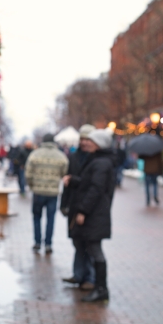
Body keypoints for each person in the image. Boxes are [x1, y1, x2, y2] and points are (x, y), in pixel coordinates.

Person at [63, 129, 115, 303]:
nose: (87, 143)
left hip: (95, 215)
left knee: (95, 251)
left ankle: (101, 288)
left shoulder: (101, 163)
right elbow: (89, 183)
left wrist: (83, 211)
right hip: (95, 213)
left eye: (91, 141)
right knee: (92, 249)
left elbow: (95, 189)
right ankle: (100, 287)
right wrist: (74, 181)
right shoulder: (98, 161)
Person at [60, 124, 96, 290]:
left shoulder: (96, 159)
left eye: (88, 139)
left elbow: (92, 185)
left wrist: (74, 180)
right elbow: (67, 182)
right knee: (77, 242)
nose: (85, 142)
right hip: (75, 205)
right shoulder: (73, 157)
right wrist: (64, 204)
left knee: (88, 243)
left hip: (89, 208)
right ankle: (78, 274)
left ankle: (89, 277)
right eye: (82, 139)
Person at [25, 134, 68, 254]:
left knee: (37, 217)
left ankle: (37, 242)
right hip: (53, 193)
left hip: (38, 192)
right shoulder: (61, 156)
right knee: (51, 219)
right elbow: (65, 172)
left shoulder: (35, 154)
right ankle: (48, 244)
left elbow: (28, 173)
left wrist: (32, 185)